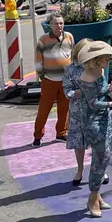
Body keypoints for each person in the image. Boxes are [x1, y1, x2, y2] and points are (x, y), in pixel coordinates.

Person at [65, 40, 112, 218]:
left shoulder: (99, 71)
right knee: (100, 158)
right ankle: (92, 197)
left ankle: (97, 195)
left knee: (104, 157)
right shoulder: (86, 76)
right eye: (105, 57)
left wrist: (110, 88)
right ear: (96, 58)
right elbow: (93, 103)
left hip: (103, 119)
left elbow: (99, 93)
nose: (108, 59)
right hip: (92, 121)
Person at [33, 13, 73, 146]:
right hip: (49, 80)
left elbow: (73, 56)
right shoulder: (43, 40)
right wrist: (42, 76)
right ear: (50, 25)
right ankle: (38, 136)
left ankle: (61, 133)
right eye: (56, 23)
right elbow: (38, 60)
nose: (59, 26)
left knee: (64, 108)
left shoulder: (69, 37)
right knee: (44, 109)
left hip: (66, 81)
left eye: (61, 23)